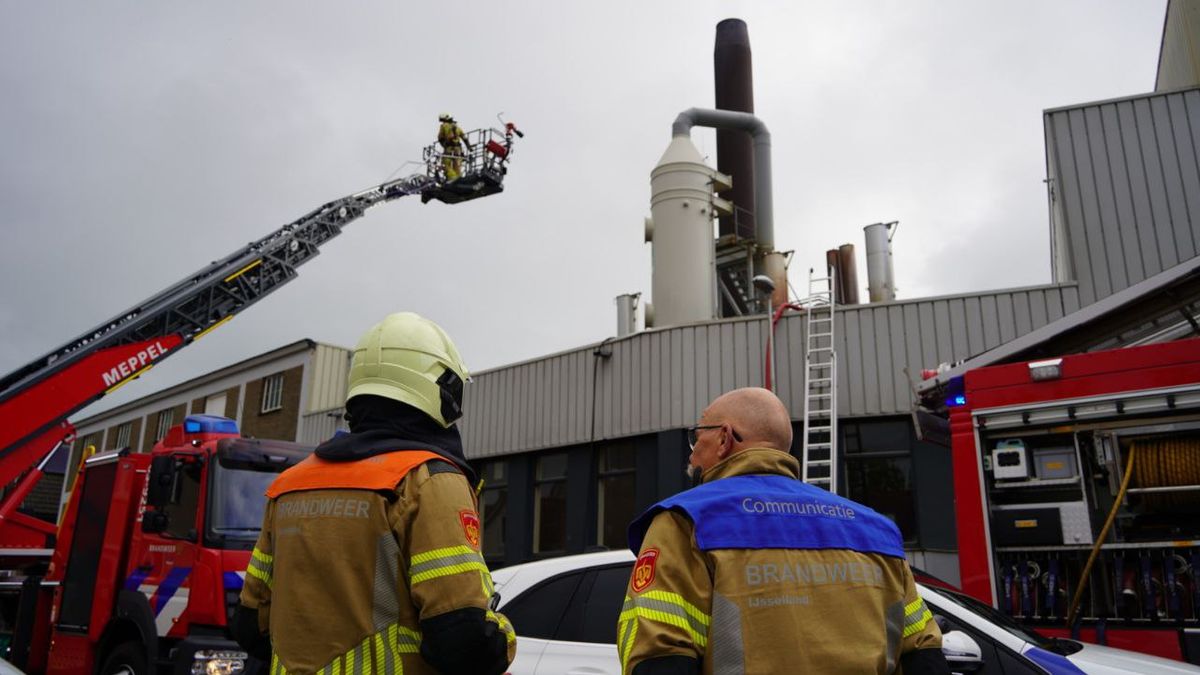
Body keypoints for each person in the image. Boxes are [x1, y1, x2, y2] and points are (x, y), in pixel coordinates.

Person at [232, 312, 516, 675]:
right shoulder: (427, 481)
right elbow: (462, 642)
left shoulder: (289, 486)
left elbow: (249, 624)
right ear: (442, 389)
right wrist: (504, 635)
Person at [618, 387, 949, 675]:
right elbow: (922, 650)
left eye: (698, 434)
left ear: (723, 438)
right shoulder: (876, 531)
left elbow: (660, 654)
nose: (692, 451)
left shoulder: (686, 522)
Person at [437, 113, 472, 180]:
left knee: (445, 165)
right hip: (458, 150)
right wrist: (469, 147)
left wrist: (443, 145)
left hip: (449, 149)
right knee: (457, 168)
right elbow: (464, 138)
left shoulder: (443, 126)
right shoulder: (457, 128)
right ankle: (458, 180)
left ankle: (452, 179)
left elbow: (440, 137)